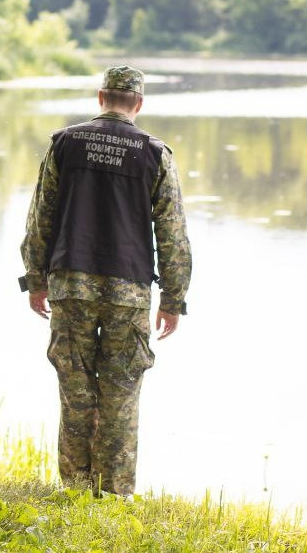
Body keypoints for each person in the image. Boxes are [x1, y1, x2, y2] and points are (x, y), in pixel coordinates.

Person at [20, 64, 192, 496]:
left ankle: (76, 487)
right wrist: (173, 299)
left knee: (75, 389)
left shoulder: (65, 144)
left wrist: (35, 279)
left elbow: (39, 218)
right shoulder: (154, 154)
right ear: (138, 103)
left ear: (100, 98)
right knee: (121, 393)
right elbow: (172, 233)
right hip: (128, 292)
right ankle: (114, 493)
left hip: (69, 287)